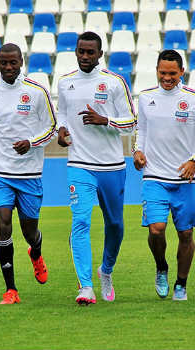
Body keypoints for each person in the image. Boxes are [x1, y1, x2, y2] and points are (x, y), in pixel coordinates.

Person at [0, 43, 56, 305]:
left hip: (29, 173)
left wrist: (31, 142)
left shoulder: (37, 92)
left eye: (13, 63)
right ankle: (11, 290)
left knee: (29, 231)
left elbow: (51, 127)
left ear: (22, 62)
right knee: (3, 223)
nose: (8, 68)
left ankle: (36, 252)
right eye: (4, 63)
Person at [57, 31, 136, 305]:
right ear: (76, 52)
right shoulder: (65, 83)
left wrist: (105, 120)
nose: (85, 56)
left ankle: (107, 270)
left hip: (112, 166)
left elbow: (131, 123)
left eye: (91, 52)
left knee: (115, 224)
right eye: (81, 51)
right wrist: (62, 130)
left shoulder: (114, 83)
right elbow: (61, 114)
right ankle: (86, 287)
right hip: (79, 164)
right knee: (80, 221)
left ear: (100, 54)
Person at [133, 50, 195, 301]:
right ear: (156, 70)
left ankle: (181, 283)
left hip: (185, 178)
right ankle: (161, 267)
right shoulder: (146, 98)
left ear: (182, 72)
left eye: (172, 73)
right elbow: (142, 130)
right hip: (154, 175)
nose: (167, 78)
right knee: (156, 229)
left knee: (186, 234)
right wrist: (137, 151)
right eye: (162, 73)